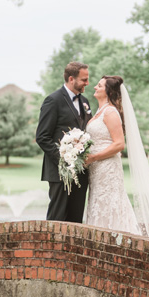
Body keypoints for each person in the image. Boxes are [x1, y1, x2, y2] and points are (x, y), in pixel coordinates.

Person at [84, 76, 149, 245]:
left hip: (107, 167)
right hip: (96, 170)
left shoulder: (110, 112)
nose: (95, 87)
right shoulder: (99, 112)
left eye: (99, 85)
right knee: (98, 203)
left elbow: (119, 144)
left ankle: (115, 243)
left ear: (108, 91)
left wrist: (93, 157)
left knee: (110, 203)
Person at [36, 61, 92, 222]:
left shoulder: (84, 101)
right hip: (59, 172)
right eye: (84, 79)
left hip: (80, 173)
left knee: (75, 220)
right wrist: (64, 160)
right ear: (71, 79)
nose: (87, 83)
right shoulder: (53, 100)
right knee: (57, 219)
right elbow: (42, 137)